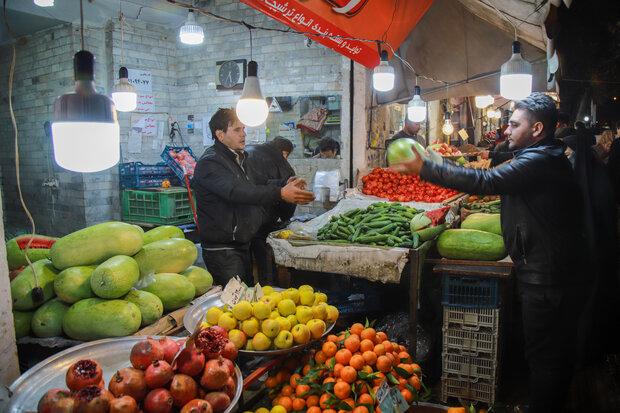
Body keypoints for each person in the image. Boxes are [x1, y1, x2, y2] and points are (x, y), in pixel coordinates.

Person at [392, 93, 585, 412]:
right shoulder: (541, 153)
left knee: (545, 355)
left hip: (546, 275)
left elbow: (487, 181)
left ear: (536, 128)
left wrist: (424, 168)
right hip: (545, 267)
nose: (506, 130)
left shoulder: (539, 160)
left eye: (513, 124)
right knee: (547, 351)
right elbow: (495, 168)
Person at [192, 109, 315, 286]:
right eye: (236, 130)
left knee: (247, 298)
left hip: (241, 244)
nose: (243, 134)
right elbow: (237, 191)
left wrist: (284, 183)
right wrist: (280, 193)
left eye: (243, 129)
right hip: (223, 250)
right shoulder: (210, 163)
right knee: (234, 305)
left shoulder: (238, 158)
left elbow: (258, 182)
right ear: (220, 135)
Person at [564, 132, 618, 365]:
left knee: (591, 305)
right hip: (596, 250)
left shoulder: (592, 181)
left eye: (568, 153)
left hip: (596, 252)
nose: (566, 158)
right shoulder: (596, 175)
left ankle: (585, 355)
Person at [245, 137, 297, 285]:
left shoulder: (247, 151)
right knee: (265, 258)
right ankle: (269, 290)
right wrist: (285, 217)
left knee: (245, 261)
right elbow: (288, 200)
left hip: (240, 221)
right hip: (263, 221)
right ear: (285, 153)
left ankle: (248, 291)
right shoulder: (282, 164)